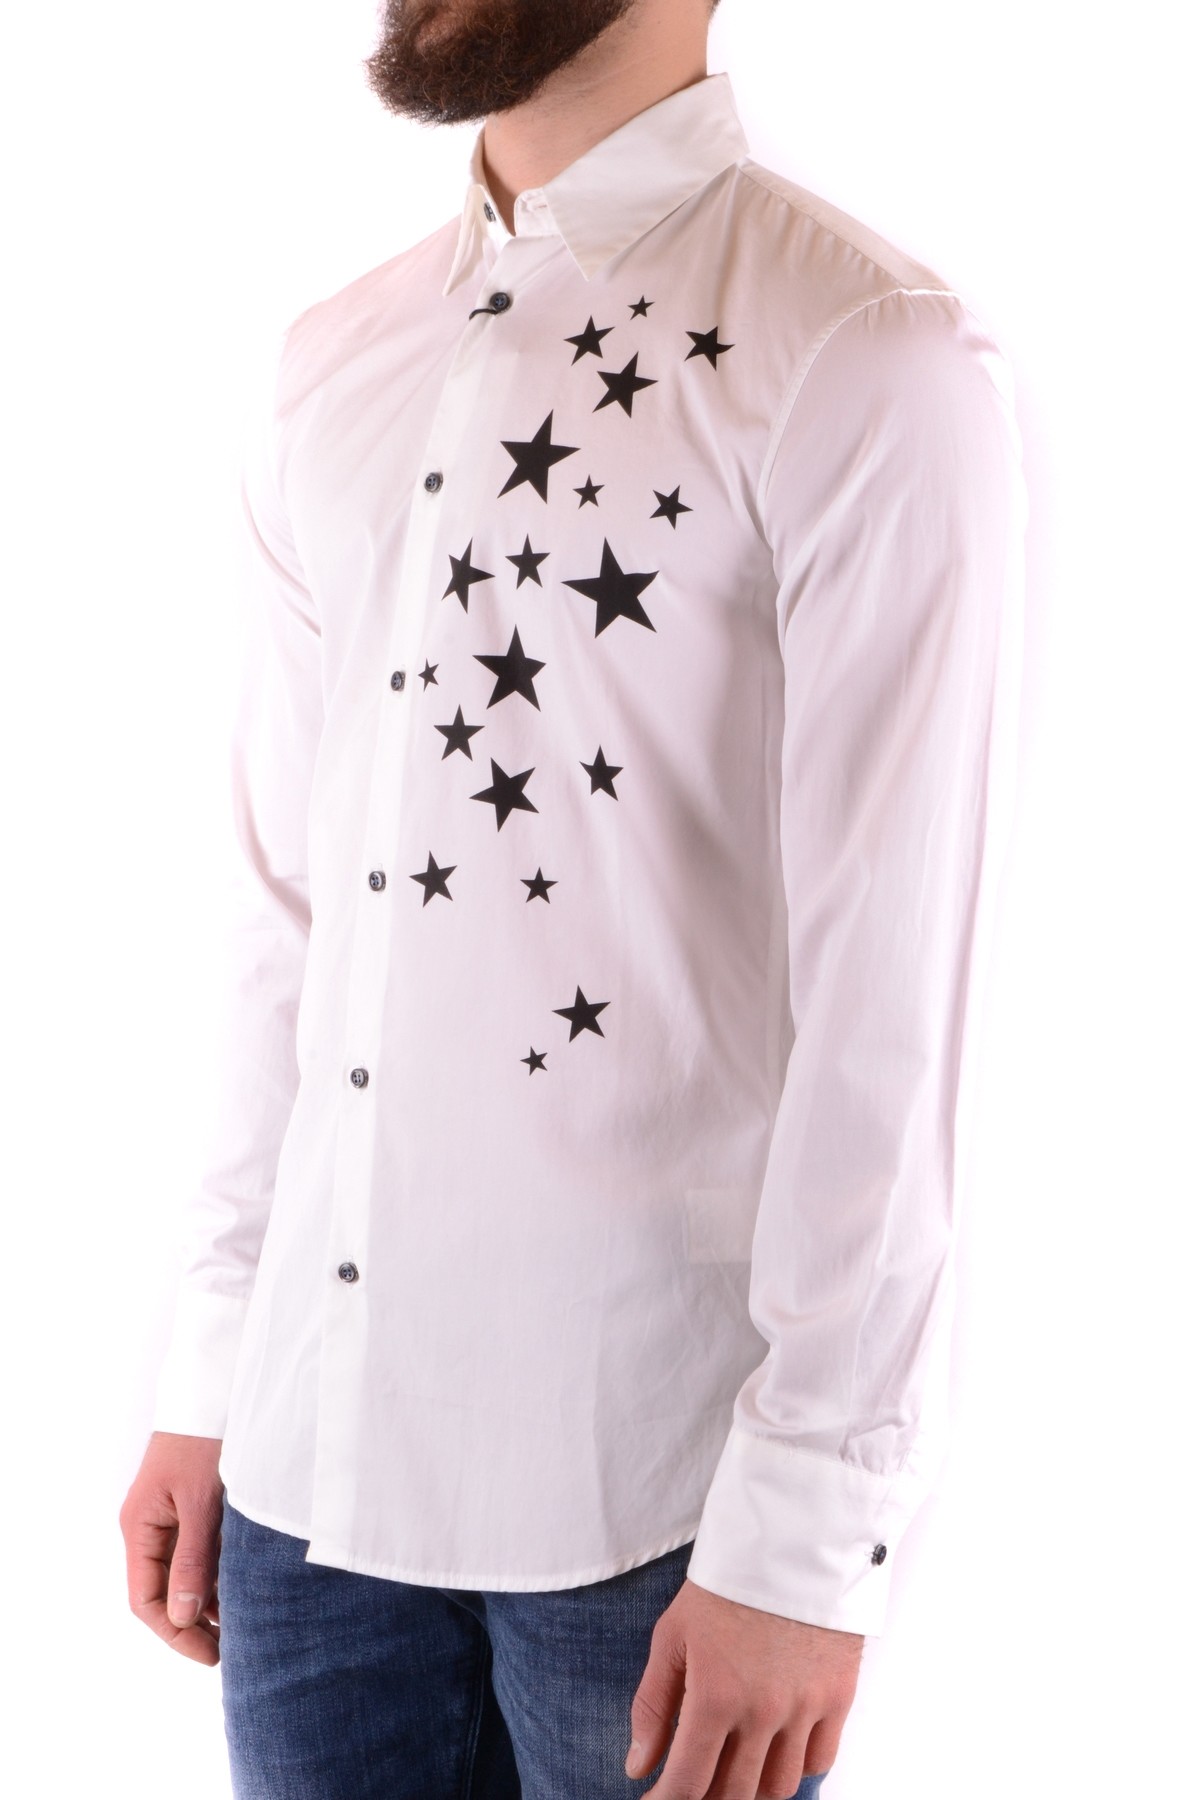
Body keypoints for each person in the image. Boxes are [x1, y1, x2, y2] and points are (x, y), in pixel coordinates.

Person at [119, 1, 1026, 1795]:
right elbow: (286, 914)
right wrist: (212, 1369)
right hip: (306, 1484)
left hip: (653, 1517)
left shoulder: (865, 355)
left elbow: (896, 993)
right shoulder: (333, 360)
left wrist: (811, 1532)